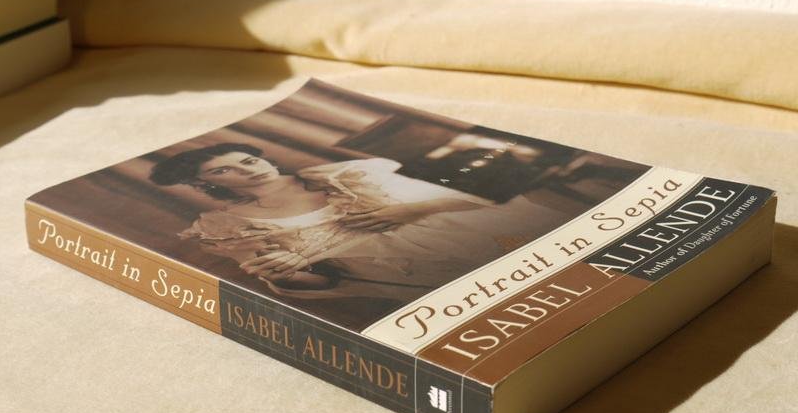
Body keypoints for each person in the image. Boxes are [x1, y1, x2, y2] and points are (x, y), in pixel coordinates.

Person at [149, 143, 559, 303]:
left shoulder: (352, 173)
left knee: (551, 271)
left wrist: (411, 210)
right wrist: (289, 273)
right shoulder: (222, 226)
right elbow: (319, 281)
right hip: (401, 276)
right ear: (202, 184)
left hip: (456, 233)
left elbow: (469, 202)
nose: (248, 171)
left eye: (249, 160)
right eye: (223, 171)